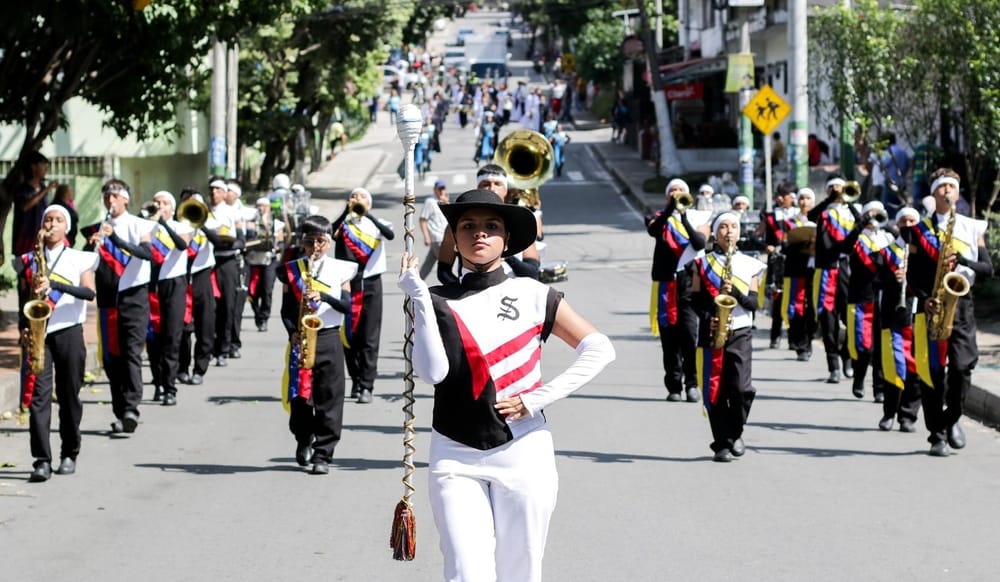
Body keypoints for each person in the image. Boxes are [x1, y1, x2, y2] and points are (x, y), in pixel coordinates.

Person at [397, 188, 615, 582]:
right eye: (468, 226)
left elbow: (599, 349)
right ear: (454, 238)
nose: (479, 233)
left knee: (521, 570)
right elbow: (432, 374)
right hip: (454, 452)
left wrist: (536, 399)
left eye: (491, 226)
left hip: (524, 449)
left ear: (507, 238)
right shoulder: (433, 299)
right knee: (465, 571)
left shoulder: (534, 294)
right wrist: (420, 301)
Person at [900, 168, 991, 456]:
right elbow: (912, 275)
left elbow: (987, 268)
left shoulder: (971, 227)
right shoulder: (917, 231)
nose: (948, 191)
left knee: (962, 367)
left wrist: (963, 260)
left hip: (961, 305)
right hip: (931, 306)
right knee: (932, 374)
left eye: (952, 186)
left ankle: (952, 418)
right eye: (943, 187)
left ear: (957, 191)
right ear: (934, 193)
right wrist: (924, 298)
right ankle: (936, 435)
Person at [15, 206, 98, 482]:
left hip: (69, 332)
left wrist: (56, 286)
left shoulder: (79, 258)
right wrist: (23, 327)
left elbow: (89, 292)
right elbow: (23, 297)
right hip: (40, 334)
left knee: (68, 396)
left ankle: (69, 452)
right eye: (48, 219)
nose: (52, 224)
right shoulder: (29, 260)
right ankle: (41, 460)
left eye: (58, 220)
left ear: (67, 228)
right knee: (39, 397)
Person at [277, 216, 357, 474]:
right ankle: (303, 437)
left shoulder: (342, 269)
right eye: (310, 242)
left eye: (321, 241)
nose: (315, 247)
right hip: (301, 338)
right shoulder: (291, 270)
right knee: (300, 400)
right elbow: (285, 310)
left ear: (329, 242)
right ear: (303, 243)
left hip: (329, 337)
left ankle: (323, 454)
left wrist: (324, 296)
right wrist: (291, 332)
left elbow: (347, 306)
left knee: (329, 398)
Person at [689, 213, 765, 462]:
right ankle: (721, 443)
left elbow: (753, 303)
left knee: (741, 388)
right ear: (715, 232)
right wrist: (708, 316)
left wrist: (737, 293)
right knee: (715, 390)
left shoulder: (750, 264)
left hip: (740, 331)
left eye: (733, 227)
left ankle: (736, 432)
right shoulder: (702, 263)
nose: (729, 231)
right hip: (712, 331)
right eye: (723, 227)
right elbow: (694, 299)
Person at [85, 179, 154, 434]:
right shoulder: (99, 227)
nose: (110, 200)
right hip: (108, 298)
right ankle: (120, 411)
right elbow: (86, 262)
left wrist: (116, 239)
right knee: (112, 358)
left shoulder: (139, 224)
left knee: (131, 352)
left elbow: (146, 253)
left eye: (114, 195)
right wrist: (90, 244)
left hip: (134, 296)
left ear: (125, 198)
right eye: (106, 196)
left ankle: (131, 409)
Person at [646, 178, 711, 402]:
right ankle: (674, 385)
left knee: (690, 335)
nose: (676, 193)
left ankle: (692, 383)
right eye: (672, 190)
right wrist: (669, 211)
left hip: (690, 282)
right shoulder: (660, 218)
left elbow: (699, 243)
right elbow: (653, 230)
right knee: (669, 338)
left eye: (680, 189)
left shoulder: (699, 217)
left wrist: (683, 217)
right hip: (666, 283)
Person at [331, 187, 395, 404]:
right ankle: (356, 380)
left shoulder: (377, 223)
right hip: (347, 285)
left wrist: (368, 214)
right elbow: (330, 233)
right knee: (349, 337)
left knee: (369, 337)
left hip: (371, 284)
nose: (356, 199)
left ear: (369, 203)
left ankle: (367, 385)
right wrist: (345, 211)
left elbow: (390, 235)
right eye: (353, 196)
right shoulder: (344, 225)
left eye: (361, 197)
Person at [437, 165, 542, 283]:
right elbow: (443, 271)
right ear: (478, 187)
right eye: (485, 184)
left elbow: (532, 272)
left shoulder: (519, 224)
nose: (491, 188)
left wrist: (504, 254)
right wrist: (461, 290)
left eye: (497, 184)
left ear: (506, 190)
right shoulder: (458, 225)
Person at [876, 207, 922, 432]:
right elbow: (874, 280)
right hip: (893, 316)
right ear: (897, 225)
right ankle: (889, 412)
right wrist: (891, 278)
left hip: (918, 316)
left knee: (916, 368)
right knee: (893, 364)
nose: (908, 225)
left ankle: (908, 416)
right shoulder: (886, 252)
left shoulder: (924, 251)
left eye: (912, 221)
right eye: (904, 221)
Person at [808, 175, 857, 384]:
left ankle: (847, 356)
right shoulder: (823, 213)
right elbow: (811, 215)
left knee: (851, 318)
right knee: (828, 321)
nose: (837, 190)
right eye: (833, 187)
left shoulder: (851, 212)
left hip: (847, 270)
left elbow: (863, 225)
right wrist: (830, 200)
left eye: (840, 187)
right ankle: (833, 366)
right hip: (826, 271)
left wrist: (849, 201)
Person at [842, 200, 893, 402]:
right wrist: (862, 222)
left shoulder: (888, 237)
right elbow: (846, 246)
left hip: (884, 297)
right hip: (861, 298)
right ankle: (859, 377)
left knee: (881, 346)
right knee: (864, 346)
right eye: (871, 213)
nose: (874, 217)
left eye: (878, 213)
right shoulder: (857, 238)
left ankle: (879, 388)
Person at [146, 191, 192, 406]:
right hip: (152, 285)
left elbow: (182, 245)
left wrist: (163, 223)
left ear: (172, 208)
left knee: (172, 336)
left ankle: (170, 387)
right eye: (157, 202)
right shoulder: (146, 227)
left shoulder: (181, 226)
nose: (159, 205)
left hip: (174, 284)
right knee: (153, 338)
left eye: (164, 203)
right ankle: (158, 382)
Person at [177, 190, 217, 387]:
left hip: (202, 277)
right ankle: (182, 368)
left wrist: (201, 224)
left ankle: (199, 369)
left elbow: (219, 241)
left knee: (205, 326)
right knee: (182, 328)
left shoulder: (211, 222)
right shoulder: (178, 225)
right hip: (182, 278)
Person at [207, 178, 244, 367]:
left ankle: (224, 348)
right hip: (208, 263)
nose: (214, 193)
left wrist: (231, 244)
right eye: (211, 190)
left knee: (228, 306)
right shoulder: (204, 213)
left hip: (227, 262)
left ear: (224, 193)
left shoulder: (232, 212)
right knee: (210, 309)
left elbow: (241, 239)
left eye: (218, 190)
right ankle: (210, 348)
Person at [247, 197, 285, 332]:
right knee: (252, 292)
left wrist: (277, 246)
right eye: (259, 206)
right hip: (253, 261)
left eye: (264, 206)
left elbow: (281, 241)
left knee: (267, 290)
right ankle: (257, 313)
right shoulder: (250, 222)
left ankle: (264, 318)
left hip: (269, 261)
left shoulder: (276, 224)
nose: (261, 209)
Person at [11, 151, 58, 257]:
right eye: (42, 164)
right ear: (33, 167)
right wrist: (46, 190)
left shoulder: (42, 187)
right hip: (25, 239)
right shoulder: (23, 188)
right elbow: (24, 206)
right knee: (24, 266)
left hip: (41, 238)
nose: (46, 168)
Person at [419, 179, 449, 280]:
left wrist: (446, 201)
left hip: (444, 237)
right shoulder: (430, 202)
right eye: (439, 189)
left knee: (428, 263)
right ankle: (449, 284)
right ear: (434, 189)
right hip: (437, 238)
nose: (441, 191)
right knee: (445, 264)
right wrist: (426, 237)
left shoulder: (444, 200)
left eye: (443, 188)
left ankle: (418, 281)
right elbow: (422, 220)